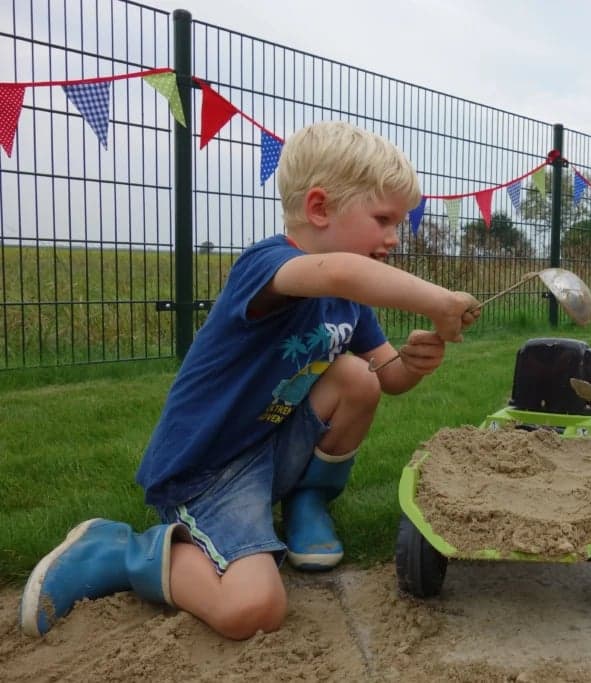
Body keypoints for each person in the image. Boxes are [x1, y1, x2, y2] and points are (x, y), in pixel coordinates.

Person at [20, 121, 481, 640]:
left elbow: (386, 377)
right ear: (319, 208)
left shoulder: (351, 300)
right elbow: (334, 273)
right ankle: (117, 551)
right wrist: (437, 300)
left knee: (359, 377)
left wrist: (412, 364)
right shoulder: (269, 264)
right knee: (253, 609)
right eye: (383, 219)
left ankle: (308, 505)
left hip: (270, 446)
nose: (395, 238)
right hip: (209, 470)